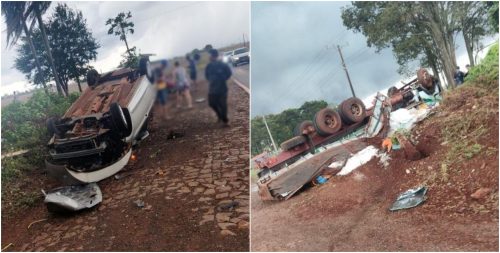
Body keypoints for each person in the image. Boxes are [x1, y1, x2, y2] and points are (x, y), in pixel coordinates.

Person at [205, 49, 232, 127]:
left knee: (223, 104)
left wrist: (223, 79)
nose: (208, 57)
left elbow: (229, 73)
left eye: (209, 55)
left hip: (222, 88)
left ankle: (225, 121)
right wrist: (212, 81)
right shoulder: (208, 66)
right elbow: (207, 76)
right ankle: (220, 116)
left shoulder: (222, 64)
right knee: (212, 103)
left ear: (213, 55)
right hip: (212, 89)